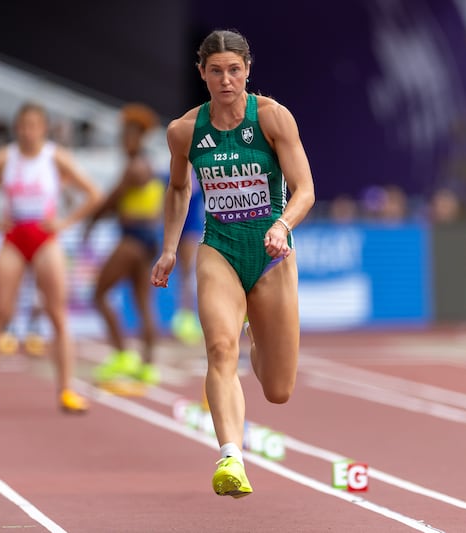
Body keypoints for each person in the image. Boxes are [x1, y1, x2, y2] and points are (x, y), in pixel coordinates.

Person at [151, 29, 315, 498]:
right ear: (201, 73)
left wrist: (282, 225)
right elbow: (179, 187)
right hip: (218, 247)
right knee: (220, 350)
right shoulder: (184, 131)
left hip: (270, 253)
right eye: (217, 71)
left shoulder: (272, 118)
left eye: (235, 70)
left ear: (248, 70)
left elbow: (305, 189)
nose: (226, 80)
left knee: (278, 388)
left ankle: (256, 331)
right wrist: (168, 248)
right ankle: (231, 456)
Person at [0, 102, 100, 415]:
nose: (27, 131)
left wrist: (64, 223)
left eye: (34, 125)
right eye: (23, 125)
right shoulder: (4, 158)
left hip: (45, 238)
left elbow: (93, 194)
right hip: (14, 237)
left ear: (43, 128)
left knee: (56, 314)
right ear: (16, 128)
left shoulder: (55, 157)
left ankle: (66, 390)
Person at [87, 103, 164, 385]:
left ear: (136, 137)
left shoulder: (136, 167)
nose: (122, 141)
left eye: (125, 135)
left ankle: (122, 354)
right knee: (144, 303)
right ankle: (147, 365)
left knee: (98, 293)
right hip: (147, 241)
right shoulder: (147, 164)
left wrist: (90, 222)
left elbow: (111, 201)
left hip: (134, 239)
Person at [171, 172, 204, 345]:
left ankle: (189, 318)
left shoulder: (197, 173)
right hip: (179, 229)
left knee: (189, 275)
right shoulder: (177, 171)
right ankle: (185, 317)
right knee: (183, 276)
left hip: (191, 229)